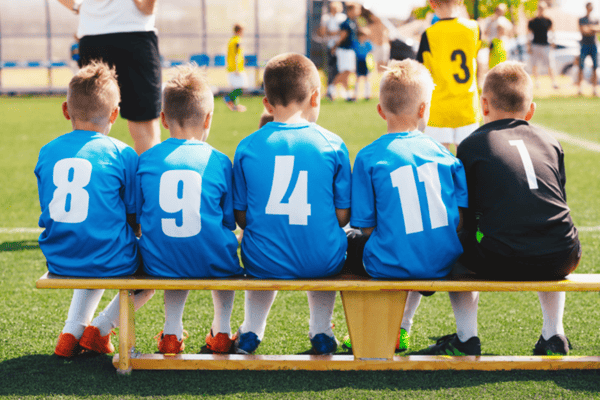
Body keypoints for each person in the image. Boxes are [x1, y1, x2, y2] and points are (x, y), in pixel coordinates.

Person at [428, 62, 581, 356]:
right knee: (549, 228)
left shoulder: (473, 145)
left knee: (454, 244)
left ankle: (466, 338)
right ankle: (554, 333)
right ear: (531, 111)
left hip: (504, 259)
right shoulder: (550, 141)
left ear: (483, 105)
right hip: (564, 255)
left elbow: (465, 218)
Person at [342, 59, 468, 353]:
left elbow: (367, 226)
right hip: (443, 261)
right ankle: (402, 327)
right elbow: (460, 220)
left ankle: (369, 331)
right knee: (412, 241)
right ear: (424, 109)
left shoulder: (368, 156)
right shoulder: (445, 154)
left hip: (389, 262)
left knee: (350, 244)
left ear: (380, 110)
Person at [232, 53, 351, 355]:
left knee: (262, 240)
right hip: (322, 260)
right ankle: (321, 330)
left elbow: (242, 217)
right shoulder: (333, 144)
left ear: (267, 104)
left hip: (263, 260)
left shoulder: (247, 146)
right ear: (315, 97)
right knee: (326, 239)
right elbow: (342, 216)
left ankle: (251, 330)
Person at [35, 61, 154, 358]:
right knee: (151, 267)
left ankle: (71, 331)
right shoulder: (122, 152)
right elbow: (133, 217)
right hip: (107, 259)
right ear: (115, 114)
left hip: (59, 259)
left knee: (96, 244)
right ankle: (101, 328)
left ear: (66, 110)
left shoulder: (47, 150)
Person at [136, 66, 245, 354]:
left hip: (158, 262)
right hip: (212, 261)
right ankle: (222, 330)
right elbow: (228, 220)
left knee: (172, 243)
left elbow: (138, 216)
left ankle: (171, 332)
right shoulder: (220, 161)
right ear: (208, 118)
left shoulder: (146, 160)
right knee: (220, 245)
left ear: (162, 118)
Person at [56, 0, 162, 155]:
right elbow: (146, 8)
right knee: (145, 129)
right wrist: (147, 5)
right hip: (134, 33)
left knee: (88, 126)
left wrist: (78, 6)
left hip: (94, 34)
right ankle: (146, 179)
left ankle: (89, 178)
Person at [417, 0, 482, 151]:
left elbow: (422, 72)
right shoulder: (474, 28)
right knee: (469, 162)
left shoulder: (429, 34)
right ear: (460, 2)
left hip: (439, 108)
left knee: (438, 164)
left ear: (432, 4)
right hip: (467, 106)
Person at [331, 2, 362, 102]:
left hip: (350, 50)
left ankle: (348, 95)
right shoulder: (346, 23)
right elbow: (342, 37)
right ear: (350, 10)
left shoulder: (354, 22)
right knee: (345, 71)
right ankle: (331, 89)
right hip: (344, 50)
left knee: (347, 73)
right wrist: (334, 47)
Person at [318, 2, 347, 100]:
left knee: (342, 69)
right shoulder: (326, 18)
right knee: (331, 69)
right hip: (329, 47)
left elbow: (343, 32)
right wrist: (332, 33)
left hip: (341, 47)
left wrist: (333, 33)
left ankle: (343, 90)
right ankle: (330, 91)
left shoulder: (342, 18)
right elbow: (323, 32)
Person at [528, 1, 559, 89]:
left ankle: (554, 82)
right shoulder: (532, 21)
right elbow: (529, 34)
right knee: (535, 65)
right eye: (540, 8)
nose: (541, 10)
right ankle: (537, 82)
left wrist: (553, 42)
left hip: (545, 45)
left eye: (542, 8)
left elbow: (553, 31)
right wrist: (529, 46)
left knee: (550, 65)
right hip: (535, 45)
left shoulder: (548, 20)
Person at [577, 2, 600, 96]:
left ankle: (594, 90)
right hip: (584, 45)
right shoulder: (582, 19)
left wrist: (590, 28)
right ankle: (580, 89)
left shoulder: (595, 19)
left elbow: (598, 29)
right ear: (586, 8)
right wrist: (593, 29)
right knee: (581, 67)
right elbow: (584, 31)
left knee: (595, 67)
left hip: (593, 45)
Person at [225, 23, 248, 112]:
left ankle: (235, 107)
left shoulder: (231, 40)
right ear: (239, 31)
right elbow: (236, 55)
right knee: (242, 87)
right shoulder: (237, 41)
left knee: (236, 88)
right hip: (236, 68)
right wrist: (237, 68)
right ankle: (228, 98)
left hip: (231, 67)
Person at [364, 9, 390, 73]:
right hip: (376, 46)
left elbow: (388, 35)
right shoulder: (370, 26)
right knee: (376, 63)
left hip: (384, 46)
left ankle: (382, 76)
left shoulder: (384, 24)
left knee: (384, 63)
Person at [353, 28, 373, 100]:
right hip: (358, 62)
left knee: (367, 78)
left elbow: (371, 52)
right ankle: (355, 95)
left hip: (366, 62)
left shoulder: (367, 43)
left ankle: (367, 95)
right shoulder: (356, 43)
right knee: (358, 78)